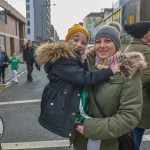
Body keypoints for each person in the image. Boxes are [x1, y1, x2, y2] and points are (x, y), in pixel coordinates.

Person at [35, 24, 120, 139]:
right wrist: (109, 71)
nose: (79, 44)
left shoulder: (76, 57)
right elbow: (85, 78)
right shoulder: (63, 59)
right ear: (67, 41)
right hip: (63, 106)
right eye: (75, 40)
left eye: (83, 43)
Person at [73, 25, 146, 150]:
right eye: (98, 41)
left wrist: (90, 128)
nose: (102, 45)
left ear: (116, 44)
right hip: (80, 141)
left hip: (109, 144)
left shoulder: (128, 71)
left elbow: (130, 116)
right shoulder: (84, 65)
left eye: (107, 41)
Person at [124, 21, 150, 150]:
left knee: (132, 134)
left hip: (130, 98)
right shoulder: (145, 50)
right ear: (145, 34)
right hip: (143, 100)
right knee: (136, 135)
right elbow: (146, 77)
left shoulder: (130, 47)